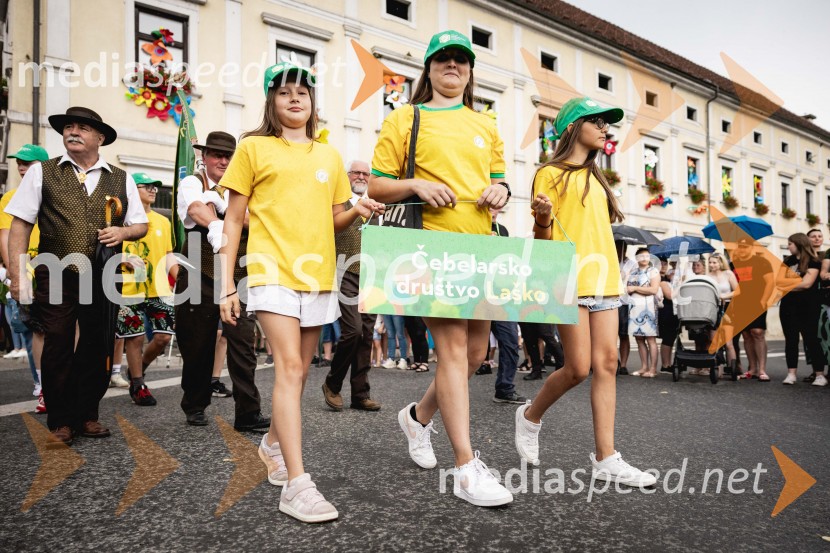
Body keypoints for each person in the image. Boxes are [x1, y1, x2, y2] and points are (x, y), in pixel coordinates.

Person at [219, 61, 383, 523]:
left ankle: (272, 443)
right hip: (270, 271)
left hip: (318, 275)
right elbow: (233, 220)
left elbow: (333, 219)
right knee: (290, 368)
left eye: (303, 93)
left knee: (302, 373)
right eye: (284, 92)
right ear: (271, 101)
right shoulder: (253, 148)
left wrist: (358, 209)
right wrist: (227, 284)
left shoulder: (328, 156)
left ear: (312, 104)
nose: (295, 99)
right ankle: (297, 483)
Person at [369, 31, 514, 507]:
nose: (453, 65)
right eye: (444, 59)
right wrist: (417, 185)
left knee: (474, 356)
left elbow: (498, 182)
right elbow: (376, 185)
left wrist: (502, 193)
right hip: (431, 248)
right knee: (452, 352)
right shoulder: (405, 118)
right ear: (429, 68)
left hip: (482, 249)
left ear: (470, 71)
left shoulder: (486, 123)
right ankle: (466, 466)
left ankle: (417, 416)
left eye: (462, 60)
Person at [514, 97, 656, 488]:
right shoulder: (549, 174)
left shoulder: (597, 176)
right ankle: (530, 416)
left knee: (607, 363)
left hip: (606, 279)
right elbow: (543, 241)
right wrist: (542, 218)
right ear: (574, 127)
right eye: (597, 122)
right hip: (569, 279)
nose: (605, 128)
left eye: (606, 124)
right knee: (577, 368)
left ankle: (606, 456)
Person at [7, 106, 148, 447]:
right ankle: (60, 420)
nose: (73, 132)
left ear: (99, 137)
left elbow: (140, 225)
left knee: (97, 344)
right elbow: (20, 225)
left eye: (82, 128)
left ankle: (87, 414)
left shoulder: (121, 177)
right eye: (68, 126)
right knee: (56, 341)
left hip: (102, 274)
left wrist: (122, 233)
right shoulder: (43, 172)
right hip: (56, 271)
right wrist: (16, 275)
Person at [175, 131, 269, 431]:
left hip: (237, 275)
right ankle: (194, 403)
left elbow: (256, 221)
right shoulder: (193, 183)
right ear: (204, 157)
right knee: (197, 343)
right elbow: (195, 209)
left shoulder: (244, 190)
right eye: (216, 154)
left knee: (243, 342)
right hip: (198, 274)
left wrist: (227, 211)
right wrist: (218, 222)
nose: (223, 160)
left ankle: (247, 413)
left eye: (228, 155)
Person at [322, 159, 383, 412]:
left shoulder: (378, 206)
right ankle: (333, 384)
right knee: (353, 331)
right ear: (347, 175)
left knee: (367, 335)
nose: (360, 176)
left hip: (370, 274)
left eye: (365, 173)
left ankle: (360, 394)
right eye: (356, 172)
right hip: (343, 270)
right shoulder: (337, 202)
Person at [115, 173, 178, 406]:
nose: (153, 190)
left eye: (155, 187)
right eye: (147, 186)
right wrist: (123, 257)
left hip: (159, 289)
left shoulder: (163, 221)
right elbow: (105, 250)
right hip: (128, 288)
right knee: (135, 336)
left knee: (162, 337)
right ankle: (138, 384)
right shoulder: (119, 221)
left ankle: (138, 368)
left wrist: (180, 277)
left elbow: (168, 254)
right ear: (133, 189)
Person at [0, 143, 49, 409]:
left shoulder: (54, 193)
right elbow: (6, 235)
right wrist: (15, 272)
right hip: (28, 268)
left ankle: (64, 384)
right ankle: (41, 386)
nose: (21, 167)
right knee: (36, 331)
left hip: (57, 268)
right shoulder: (9, 198)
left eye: (27, 163)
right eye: (19, 162)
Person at [485, 206, 526, 403]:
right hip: (476, 294)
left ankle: (505, 388)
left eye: (497, 206)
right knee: (470, 348)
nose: (494, 210)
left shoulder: (504, 230)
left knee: (510, 341)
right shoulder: (469, 226)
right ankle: (450, 390)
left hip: (502, 294)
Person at [777, 233, 826, 386]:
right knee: (790, 340)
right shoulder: (787, 261)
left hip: (808, 306)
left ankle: (819, 375)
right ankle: (791, 374)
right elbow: (778, 282)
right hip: (788, 306)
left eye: (790, 244)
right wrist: (792, 285)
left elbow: (807, 284)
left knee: (811, 339)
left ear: (798, 244)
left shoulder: (814, 261)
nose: (788, 246)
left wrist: (788, 285)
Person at [731, 239, 774, 381]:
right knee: (746, 335)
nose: (742, 249)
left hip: (757, 302)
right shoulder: (733, 264)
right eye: (740, 246)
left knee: (758, 332)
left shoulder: (761, 262)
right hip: (740, 304)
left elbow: (770, 283)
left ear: (751, 248)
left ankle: (762, 370)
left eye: (745, 246)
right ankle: (753, 369)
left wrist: (764, 300)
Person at [627, 247, 660, 378]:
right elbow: (627, 288)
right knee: (639, 338)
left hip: (648, 308)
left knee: (650, 339)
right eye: (641, 256)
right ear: (637, 258)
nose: (644, 258)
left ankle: (652, 369)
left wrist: (635, 288)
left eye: (647, 256)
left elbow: (653, 290)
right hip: (634, 307)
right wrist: (636, 289)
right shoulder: (633, 272)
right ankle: (644, 366)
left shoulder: (653, 271)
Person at [707, 252, 738, 378]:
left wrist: (724, 296)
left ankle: (732, 369)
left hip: (727, 308)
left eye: (714, 262)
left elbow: (738, 290)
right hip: (713, 308)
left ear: (720, 263)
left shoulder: (728, 274)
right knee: (715, 342)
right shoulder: (707, 276)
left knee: (729, 343)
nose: (711, 265)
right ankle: (717, 369)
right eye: (710, 262)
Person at [616, 241, 636, 375]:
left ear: (624, 249)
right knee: (609, 335)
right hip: (610, 300)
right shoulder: (609, 260)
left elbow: (634, 282)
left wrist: (625, 275)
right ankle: (613, 362)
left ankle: (623, 364)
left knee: (623, 334)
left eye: (619, 247)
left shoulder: (631, 264)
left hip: (624, 302)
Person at [657, 258, 678, 373]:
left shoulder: (668, 276)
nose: (664, 265)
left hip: (671, 310)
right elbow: (669, 295)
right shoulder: (661, 279)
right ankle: (665, 364)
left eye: (666, 263)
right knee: (668, 338)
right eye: (662, 263)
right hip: (666, 310)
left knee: (670, 338)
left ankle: (667, 364)